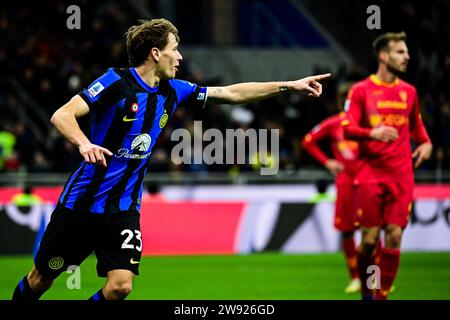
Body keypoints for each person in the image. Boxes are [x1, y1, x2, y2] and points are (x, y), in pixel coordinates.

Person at [12, 18, 330, 301]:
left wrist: (290, 86)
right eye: (174, 49)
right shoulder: (115, 82)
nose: (179, 57)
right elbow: (62, 115)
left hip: (123, 208)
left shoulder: (174, 90)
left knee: (121, 286)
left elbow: (230, 93)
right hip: (82, 204)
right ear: (155, 53)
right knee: (42, 279)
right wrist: (84, 143)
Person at [342, 31, 432, 300]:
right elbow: (347, 129)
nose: (408, 57)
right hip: (370, 174)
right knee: (369, 242)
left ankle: (380, 298)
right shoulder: (360, 91)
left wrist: (426, 144)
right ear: (384, 56)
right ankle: (367, 293)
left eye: (406, 52)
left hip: (401, 175)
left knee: (394, 236)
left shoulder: (409, 92)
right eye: (400, 52)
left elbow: (418, 130)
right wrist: (372, 133)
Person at [302, 83, 362, 294]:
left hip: (367, 182)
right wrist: (327, 162)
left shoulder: (368, 125)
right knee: (347, 232)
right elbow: (308, 141)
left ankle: (374, 279)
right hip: (345, 184)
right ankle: (355, 278)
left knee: (371, 233)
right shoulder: (334, 123)